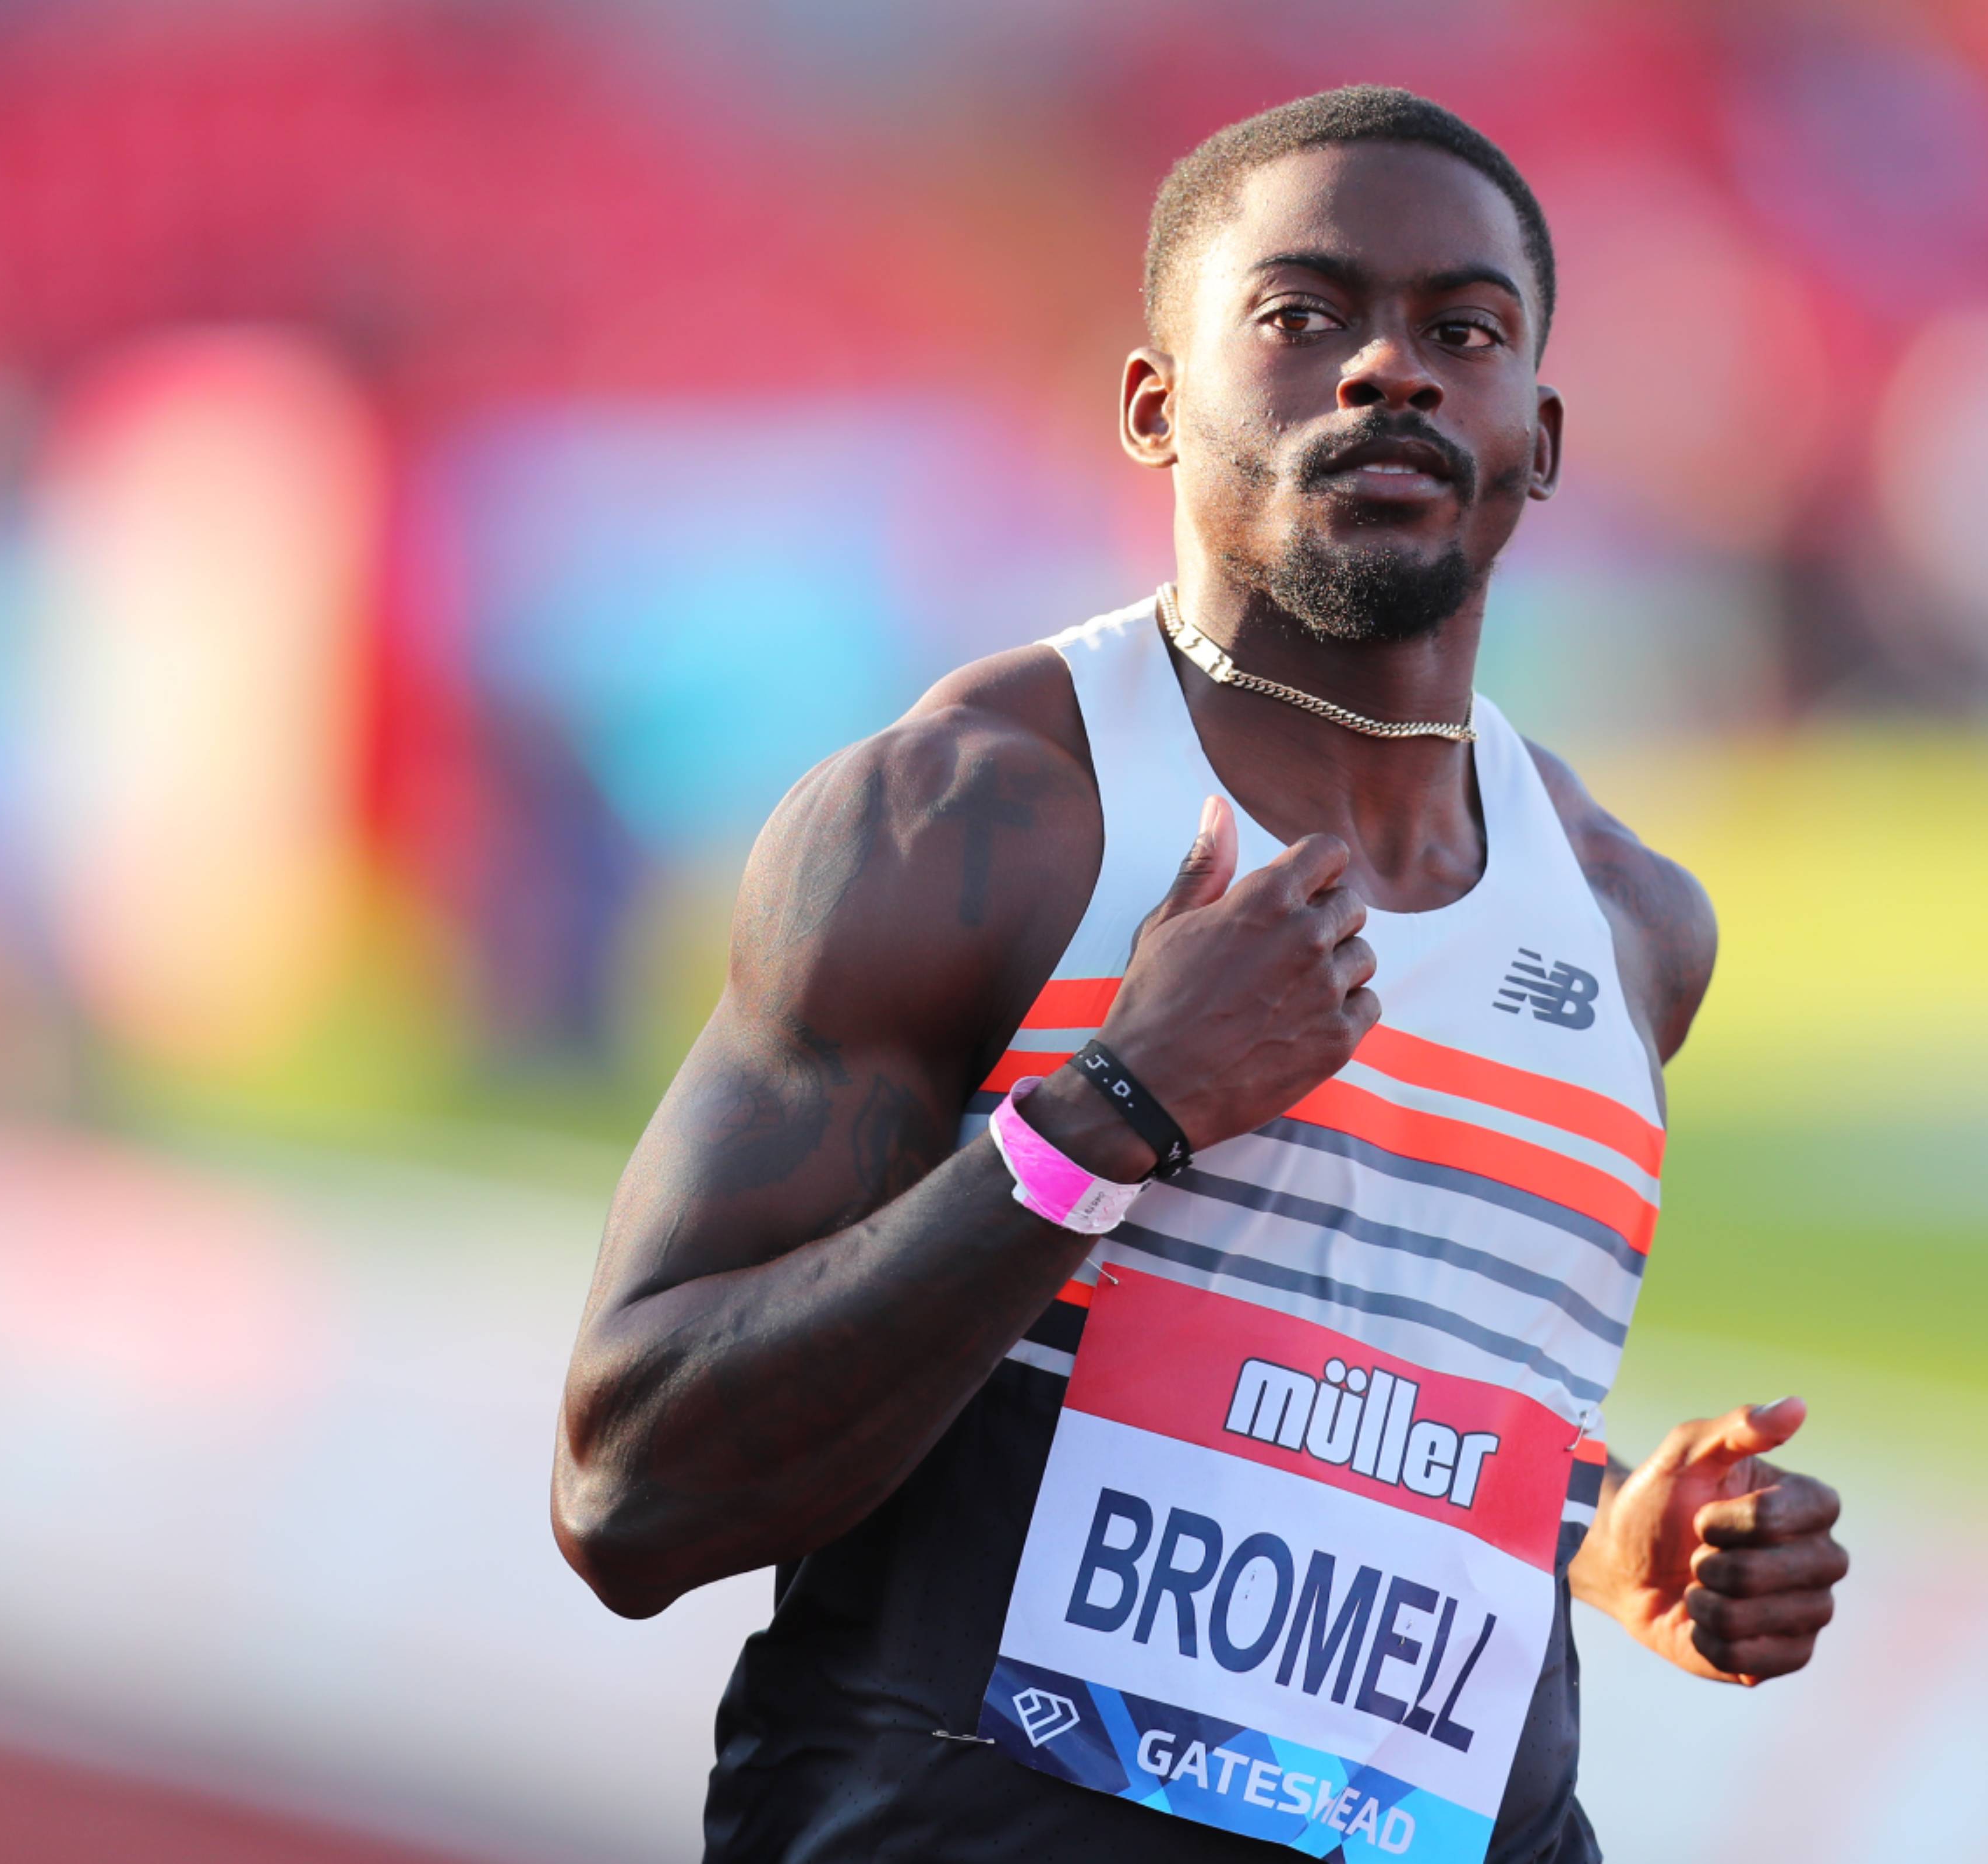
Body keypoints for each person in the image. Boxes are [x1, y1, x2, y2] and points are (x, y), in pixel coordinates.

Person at [552, 84, 1848, 1864]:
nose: (1390, 370)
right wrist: (1108, 1113)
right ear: (1155, 404)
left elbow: (1294, 1379)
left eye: (1463, 332)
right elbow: (634, 1487)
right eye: (1304, 316)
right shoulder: (973, 819)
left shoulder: (1629, 924)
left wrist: (1593, 1526)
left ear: (1538, 438)